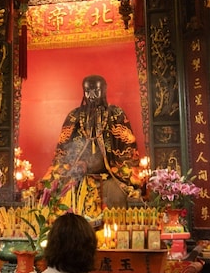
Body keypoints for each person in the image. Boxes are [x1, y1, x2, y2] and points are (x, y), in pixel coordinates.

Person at [43, 75, 142, 215]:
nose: (92, 96)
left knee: (117, 195)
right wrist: (75, 165)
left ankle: (111, 234)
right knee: (63, 194)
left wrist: (113, 166)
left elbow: (127, 150)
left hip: (109, 176)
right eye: (88, 91)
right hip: (79, 176)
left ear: (104, 90)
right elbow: (62, 152)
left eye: (96, 91)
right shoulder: (74, 116)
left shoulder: (115, 115)